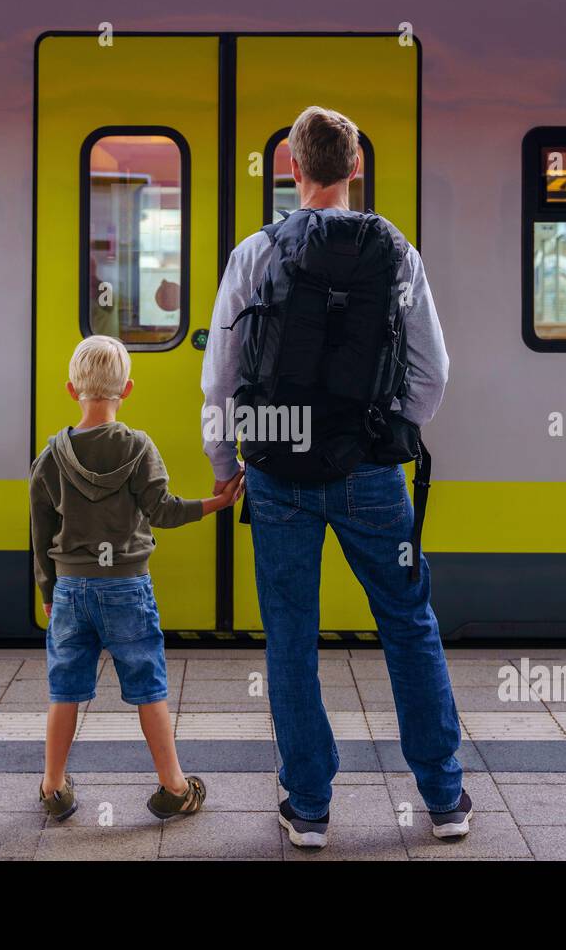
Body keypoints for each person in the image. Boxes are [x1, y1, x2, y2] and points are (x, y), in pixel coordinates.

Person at [201, 106, 470, 849]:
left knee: (291, 634)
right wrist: (387, 431)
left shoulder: (255, 253)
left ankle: (311, 807)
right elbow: (433, 374)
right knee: (408, 623)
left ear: (291, 167)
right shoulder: (397, 254)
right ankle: (444, 799)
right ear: (356, 167)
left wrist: (229, 468)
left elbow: (220, 381)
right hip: (372, 472)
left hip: (279, 470)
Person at [31, 335, 244, 821]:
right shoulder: (138, 447)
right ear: (127, 389)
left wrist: (49, 592)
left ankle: (53, 787)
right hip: (126, 585)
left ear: (71, 389)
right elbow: (163, 512)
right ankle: (173, 787)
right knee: (148, 685)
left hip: (71, 588)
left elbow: (41, 535)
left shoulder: (50, 458)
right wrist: (215, 503)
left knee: (64, 688)